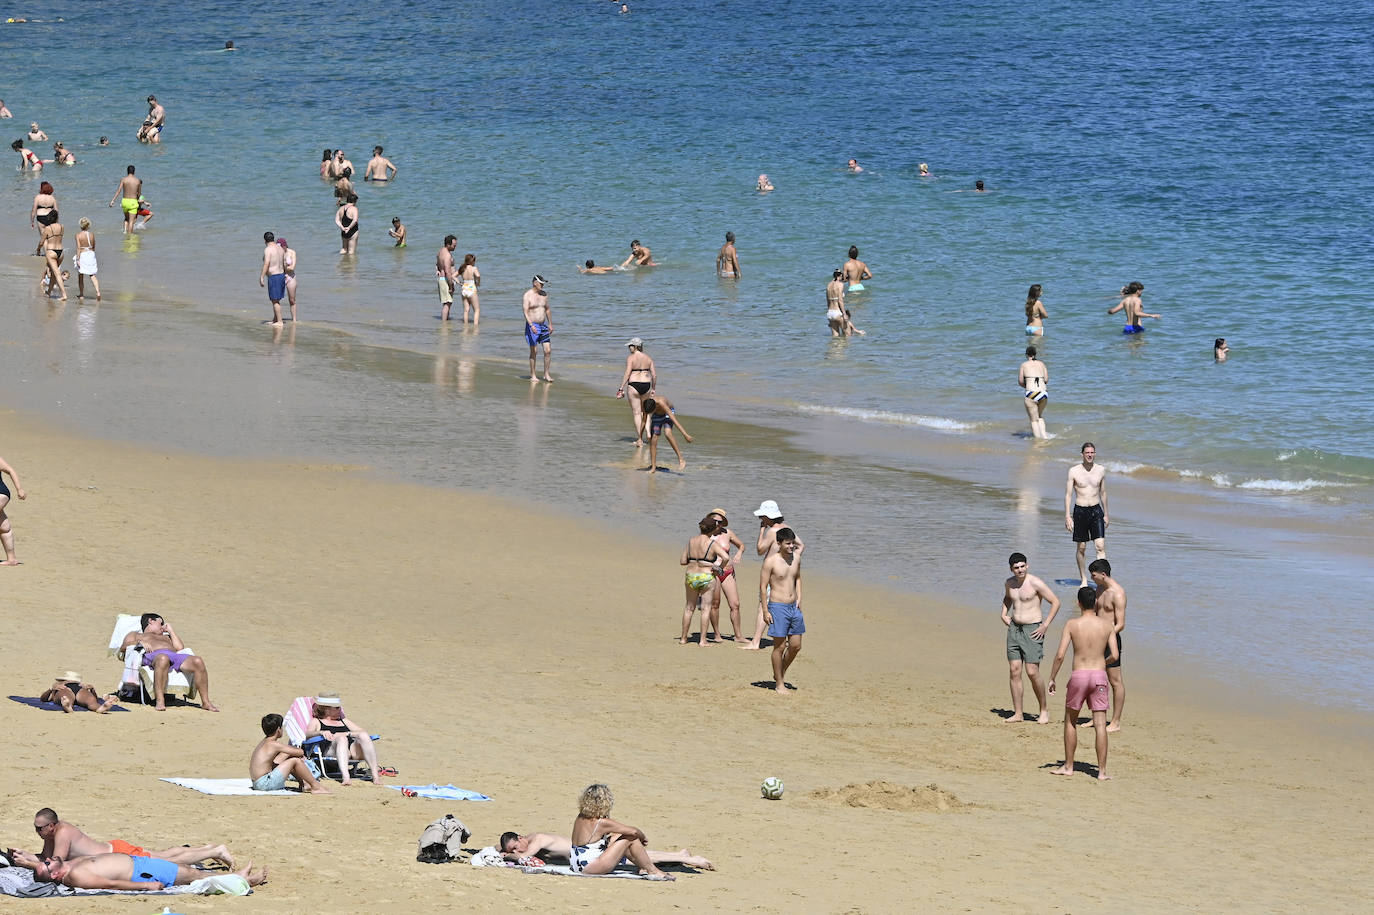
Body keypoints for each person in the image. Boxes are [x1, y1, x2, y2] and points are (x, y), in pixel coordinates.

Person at [1047, 586, 1118, 779]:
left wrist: (1053, 677)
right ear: (1095, 602)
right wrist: (1104, 662)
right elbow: (1115, 654)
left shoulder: (1072, 624)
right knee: (1101, 724)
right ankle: (1102, 772)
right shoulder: (1107, 625)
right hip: (1099, 676)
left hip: (1079, 676)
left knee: (1071, 721)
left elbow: (1060, 655)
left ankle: (1069, 766)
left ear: (1078, 603)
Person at [26, 808, 234, 868]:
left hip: (119, 855)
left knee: (166, 862)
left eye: (40, 829)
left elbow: (55, 863)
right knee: (164, 855)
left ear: (51, 826)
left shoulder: (62, 833)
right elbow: (44, 857)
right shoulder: (51, 834)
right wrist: (25, 856)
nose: (37, 832)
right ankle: (205, 849)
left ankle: (215, 851)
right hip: (115, 850)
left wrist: (28, 862)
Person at [1000, 552, 1060, 723]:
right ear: (1011, 569)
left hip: (1033, 630)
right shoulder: (1009, 583)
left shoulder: (1035, 582)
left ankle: (1043, 710)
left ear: (1027, 565)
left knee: (1032, 672)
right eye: (1016, 568)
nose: (1020, 570)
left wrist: (1045, 624)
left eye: (1022, 566)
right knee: (1014, 671)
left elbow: (1055, 602)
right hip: (1014, 629)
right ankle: (1018, 713)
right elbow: (1007, 598)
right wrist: (1004, 613)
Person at [567, 784, 673, 879]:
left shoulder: (580, 817)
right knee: (631, 838)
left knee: (618, 836)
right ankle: (653, 871)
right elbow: (634, 831)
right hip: (590, 867)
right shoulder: (602, 822)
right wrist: (643, 837)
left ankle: (643, 867)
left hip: (576, 864)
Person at [117, 613, 219, 711]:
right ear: (150, 621)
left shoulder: (166, 636)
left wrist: (171, 630)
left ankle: (206, 702)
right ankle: (160, 700)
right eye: (161, 623)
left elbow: (179, 648)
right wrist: (139, 642)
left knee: (198, 661)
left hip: (174, 656)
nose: (162, 627)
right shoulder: (136, 635)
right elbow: (123, 647)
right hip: (153, 656)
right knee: (163, 658)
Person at [32, 852, 264, 891]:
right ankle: (240, 880)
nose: (51, 860)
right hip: (140, 875)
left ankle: (237, 877)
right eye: (48, 864)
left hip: (138, 864)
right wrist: (145, 886)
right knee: (191, 876)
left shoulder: (71, 865)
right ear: (54, 875)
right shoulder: (74, 876)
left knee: (186, 870)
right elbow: (108, 884)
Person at [499, 830, 712, 870]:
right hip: (586, 854)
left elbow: (526, 855)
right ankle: (679, 855)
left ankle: (687, 858)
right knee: (632, 858)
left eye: (516, 846)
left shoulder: (538, 839)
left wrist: (509, 855)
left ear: (520, 838)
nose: (517, 851)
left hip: (590, 854)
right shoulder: (527, 843)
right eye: (513, 849)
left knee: (633, 859)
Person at [304, 693, 386, 786]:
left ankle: (375, 776)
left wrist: (346, 733)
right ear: (326, 709)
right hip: (331, 750)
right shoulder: (317, 721)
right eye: (337, 707)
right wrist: (321, 732)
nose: (340, 709)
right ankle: (346, 777)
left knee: (363, 735)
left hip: (352, 752)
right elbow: (307, 734)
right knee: (341, 739)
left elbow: (363, 732)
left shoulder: (343, 720)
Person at [759, 527, 804, 693]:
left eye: (793, 543)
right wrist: (765, 610)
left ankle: (780, 673)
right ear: (778, 543)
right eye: (788, 543)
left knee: (796, 646)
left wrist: (799, 597)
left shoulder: (796, 558)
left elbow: (797, 578)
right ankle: (779, 683)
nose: (792, 546)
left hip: (794, 607)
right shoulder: (771, 561)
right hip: (777, 606)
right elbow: (763, 587)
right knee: (779, 647)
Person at [1088, 558, 1127, 732]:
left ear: (1103, 575)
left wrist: (1106, 635)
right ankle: (1096, 716)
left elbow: (1121, 624)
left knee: (1115, 681)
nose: (1092, 578)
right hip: (1096, 638)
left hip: (1110, 640)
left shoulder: (1117, 593)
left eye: (1094, 576)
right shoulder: (1099, 588)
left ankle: (1116, 722)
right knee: (1095, 679)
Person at [680, 516, 732, 646]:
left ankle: (683, 638)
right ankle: (703, 640)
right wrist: (718, 569)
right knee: (706, 608)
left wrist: (694, 560)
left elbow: (682, 561)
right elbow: (725, 557)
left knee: (689, 608)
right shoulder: (712, 544)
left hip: (691, 575)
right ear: (713, 529)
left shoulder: (691, 541)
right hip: (706, 576)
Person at [250, 713, 330, 793]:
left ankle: (305, 784)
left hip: (257, 783)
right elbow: (300, 752)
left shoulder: (264, 742)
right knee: (295, 761)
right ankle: (315, 786)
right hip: (264, 784)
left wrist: (288, 754)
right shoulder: (274, 744)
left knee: (287, 755)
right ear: (278, 730)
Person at [1065, 442, 1108, 586]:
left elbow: (1103, 493)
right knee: (1081, 547)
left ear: (1095, 454)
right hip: (1080, 511)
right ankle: (1084, 578)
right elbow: (1068, 495)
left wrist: (1106, 514)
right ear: (1082, 454)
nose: (1090, 455)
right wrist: (1067, 516)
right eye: (1087, 453)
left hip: (1096, 511)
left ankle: (1102, 580)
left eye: (1092, 452)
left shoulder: (1101, 470)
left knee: (1100, 545)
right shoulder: (1074, 471)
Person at [705, 509, 745, 643]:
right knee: (715, 604)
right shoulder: (706, 535)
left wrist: (739, 553)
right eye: (714, 521)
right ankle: (717, 634)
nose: (717, 524)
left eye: (720, 522)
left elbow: (741, 545)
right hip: (713, 572)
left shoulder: (728, 533)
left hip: (727, 572)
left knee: (735, 604)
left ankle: (738, 636)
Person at [616, 337, 656, 444]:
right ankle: (648, 433)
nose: (629, 348)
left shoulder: (631, 358)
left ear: (636, 346)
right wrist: (653, 388)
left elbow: (627, 373)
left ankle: (639, 439)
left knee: (637, 413)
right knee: (646, 412)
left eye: (630, 346)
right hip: (647, 384)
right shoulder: (648, 358)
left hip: (634, 385)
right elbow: (654, 375)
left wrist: (621, 388)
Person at [640, 394, 692, 472]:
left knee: (668, 433)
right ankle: (653, 467)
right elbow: (644, 421)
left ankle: (681, 459)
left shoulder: (661, 403)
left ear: (654, 408)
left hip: (668, 413)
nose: (649, 415)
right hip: (657, 416)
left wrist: (685, 434)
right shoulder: (646, 404)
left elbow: (674, 420)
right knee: (653, 439)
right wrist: (639, 437)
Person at [39, 671, 118, 713]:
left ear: (64, 679)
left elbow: (43, 698)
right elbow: (95, 698)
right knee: (91, 702)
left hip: (65, 689)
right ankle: (99, 708)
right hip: (81, 689)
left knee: (65, 697)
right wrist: (92, 690)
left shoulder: (60, 684)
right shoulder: (82, 685)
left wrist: (51, 689)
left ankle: (68, 705)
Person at [523, 275, 553, 381]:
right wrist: (531, 325)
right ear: (535, 283)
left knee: (548, 350)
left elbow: (547, 309)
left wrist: (550, 324)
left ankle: (546, 374)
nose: (543, 285)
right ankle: (533, 375)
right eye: (541, 283)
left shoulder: (544, 295)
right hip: (533, 326)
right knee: (534, 351)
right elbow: (525, 311)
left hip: (543, 325)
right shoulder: (527, 295)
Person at [0, 453, 26, 566]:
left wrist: (19, 489)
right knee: (4, 527)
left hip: (1, 493)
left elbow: (10, 470)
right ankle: (12, 559)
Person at [1019, 346, 1048, 439]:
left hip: (1031, 393)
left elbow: (1020, 381)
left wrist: (1027, 386)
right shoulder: (1042, 364)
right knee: (1039, 416)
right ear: (1035, 354)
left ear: (1026, 355)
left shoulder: (1024, 365)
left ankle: (1039, 440)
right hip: (1043, 393)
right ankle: (1045, 436)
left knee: (1033, 420)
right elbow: (1046, 379)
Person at [260, 231, 287, 326]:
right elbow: (284, 263)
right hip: (281, 275)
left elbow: (266, 263)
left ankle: (279, 322)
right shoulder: (280, 248)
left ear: (264, 240)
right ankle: (275, 319)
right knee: (276, 299)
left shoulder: (268, 249)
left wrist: (262, 277)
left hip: (274, 276)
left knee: (275, 300)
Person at [108, 165, 142, 235]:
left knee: (126, 219)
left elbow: (118, 191)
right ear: (134, 172)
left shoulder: (123, 180)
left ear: (127, 171)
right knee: (131, 221)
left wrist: (112, 200)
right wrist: (140, 203)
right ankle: (129, 236)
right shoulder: (138, 181)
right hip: (133, 202)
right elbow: (139, 194)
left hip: (125, 201)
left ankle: (125, 231)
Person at [74, 218, 100, 302]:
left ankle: (81, 294)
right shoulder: (92, 234)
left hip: (83, 254)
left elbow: (78, 248)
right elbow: (94, 246)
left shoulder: (78, 235)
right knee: (92, 274)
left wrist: (78, 259)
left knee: (81, 275)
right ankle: (98, 292)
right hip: (91, 253)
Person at [39, 217, 65, 301]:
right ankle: (49, 292)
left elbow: (41, 242)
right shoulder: (62, 227)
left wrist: (38, 249)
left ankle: (64, 295)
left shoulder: (47, 228)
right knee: (54, 273)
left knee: (57, 273)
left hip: (51, 251)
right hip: (61, 252)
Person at [30, 179, 57, 255]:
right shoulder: (52, 198)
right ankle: (52, 252)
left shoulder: (38, 197)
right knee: (50, 237)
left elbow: (33, 210)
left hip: (41, 218)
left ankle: (47, 255)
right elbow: (56, 210)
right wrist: (57, 222)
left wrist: (32, 222)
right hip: (51, 218)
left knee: (43, 238)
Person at [435, 234, 458, 320]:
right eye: (454, 245)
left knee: (446, 303)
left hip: (442, 279)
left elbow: (437, 263)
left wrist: (437, 270)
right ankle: (444, 325)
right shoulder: (447, 255)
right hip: (445, 280)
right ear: (448, 244)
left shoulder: (440, 251)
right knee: (447, 304)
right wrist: (451, 285)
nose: (455, 247)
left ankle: (446, 322)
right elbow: (448, 271)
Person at [278, 237, 298, 321]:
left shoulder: (292, 252)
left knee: (292, 300)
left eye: (281, 247)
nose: (280, 249)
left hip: (290, 277)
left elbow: (292, 267)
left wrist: (284, 265)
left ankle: (294, 319)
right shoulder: (277, 253)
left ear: (285, 245)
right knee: (276, 299)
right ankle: (277, 318)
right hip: (280, 277)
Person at [458, 253, 481, 324]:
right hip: (471, 289)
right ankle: (475, 327)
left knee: (466, 310)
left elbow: (453, 276)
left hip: (464, 288)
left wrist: (459, 282)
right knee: (476, 310)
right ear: (472, 261)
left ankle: (465, 326)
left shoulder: (462, 268)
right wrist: (478, 282)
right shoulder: (474, 268)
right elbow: (478, 275)